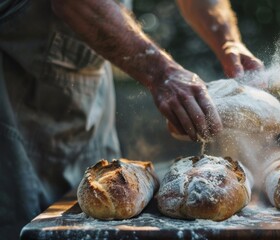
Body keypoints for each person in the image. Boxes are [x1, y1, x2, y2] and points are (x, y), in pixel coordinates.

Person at [0, 0, 263, 238]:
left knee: (106, 218)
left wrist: (227, 38)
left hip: (86, 93)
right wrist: (162, 72)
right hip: (20, 103)